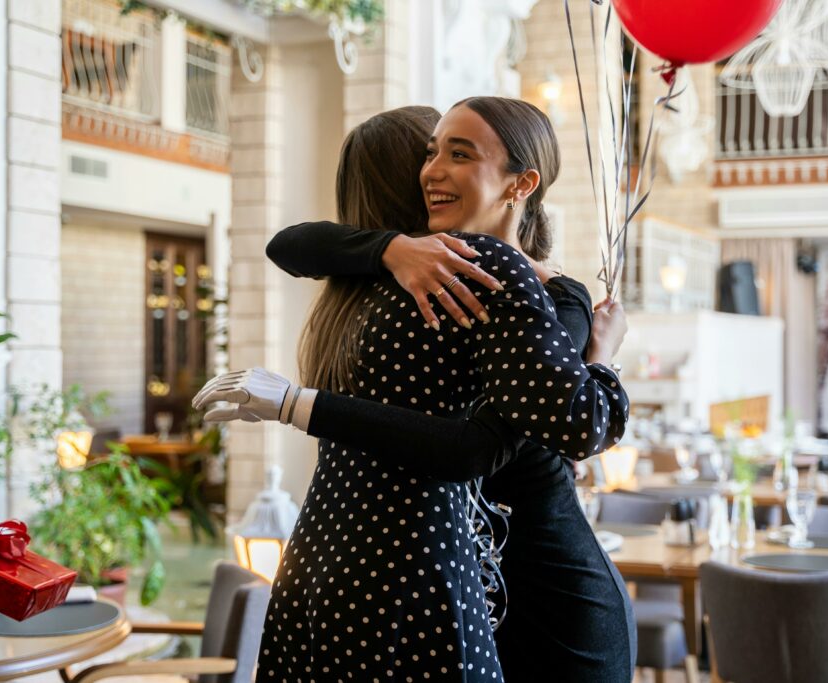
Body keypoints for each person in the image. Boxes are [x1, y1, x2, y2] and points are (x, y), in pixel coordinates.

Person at [195, 101, 632, 681]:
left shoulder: (548, 293)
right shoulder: (398, 279)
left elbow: (496, 442)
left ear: (517, 184)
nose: (436, 171)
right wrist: (390, 248)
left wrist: (603, 360)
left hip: (544, 576)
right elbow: (287, 244)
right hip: (450, 566)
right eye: (431, 152)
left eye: (458, 153)